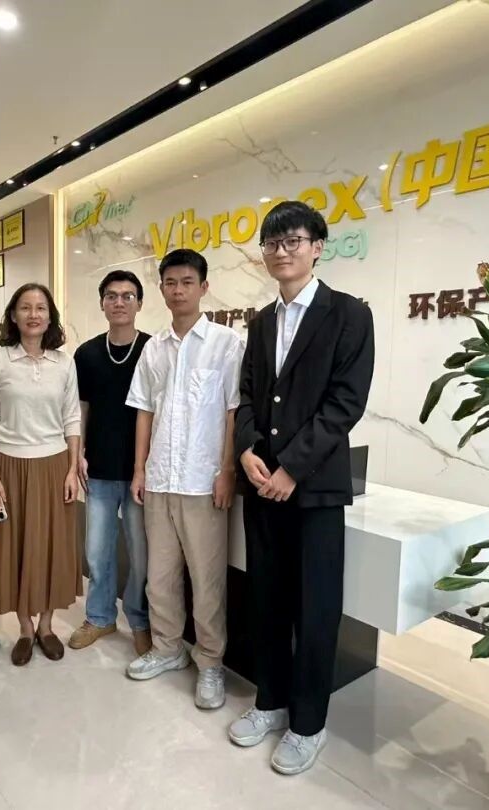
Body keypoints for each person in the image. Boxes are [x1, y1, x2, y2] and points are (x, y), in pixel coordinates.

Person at [229, 200, 374, 775]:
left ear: (317, 247)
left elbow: (345, 403)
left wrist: (291, 467)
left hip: (313, 489)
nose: (281, 251)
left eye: (293, 241)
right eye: (272, 243)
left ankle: (308, 723)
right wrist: (246, 449)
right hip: (261, 484)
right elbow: (247, 394)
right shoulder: (262, 320)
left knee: (315, 608)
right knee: (266, 598)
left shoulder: (349, 314)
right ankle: (270, 700)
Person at [125, 248, 243, 711]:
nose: (178, 291)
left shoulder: (226, 343)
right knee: (160, 576)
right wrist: (140, 469)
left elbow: (233, 411)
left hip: (202, 482)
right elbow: (144, 411)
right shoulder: (153, 348)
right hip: (160, 479)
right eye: (170, 283)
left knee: (207, 580)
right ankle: (168, 647)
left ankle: (210, 662)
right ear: (161, 289)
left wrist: (227, 470)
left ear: (204, 287)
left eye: (187, 282)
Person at [0, 283, 83, 666]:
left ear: (50, 316)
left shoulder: (64, 363)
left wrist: (72, 469)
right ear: (13, 315)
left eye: (40, 308)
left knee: (54, 547)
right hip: (9, 464)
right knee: (17, 547)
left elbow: (72, 417)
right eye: (25, 307)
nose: (33, 314)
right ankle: (24, 627)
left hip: (55, 465)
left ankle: (47, 626)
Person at [69, 271, 152, 656]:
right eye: (112, 296)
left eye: (128, 296)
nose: (120, 302)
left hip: (141, 473)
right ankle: (100, 617)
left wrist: (145, 466)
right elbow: (81, 408)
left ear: (139, 303)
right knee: (97, 552)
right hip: (99, 470)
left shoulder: (152, 349)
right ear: (102, 303)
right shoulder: (86, 354)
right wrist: (78, 454)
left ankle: (139, 620)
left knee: (142, 555)